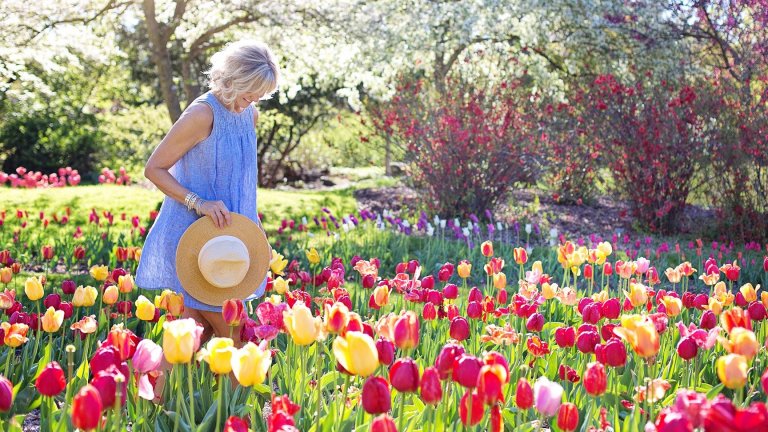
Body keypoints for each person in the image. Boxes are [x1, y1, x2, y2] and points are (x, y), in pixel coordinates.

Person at [135, 40, 279, 344]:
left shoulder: (249, 115)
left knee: (193, 335)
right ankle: (256, 394)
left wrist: (257, 233)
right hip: (199, 240)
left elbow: (243, 185)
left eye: (259, 96)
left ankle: (153, 392)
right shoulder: (203, 114)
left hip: (231, 239)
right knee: (237, 336)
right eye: (248, 93)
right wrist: (197, 202)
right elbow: (154, 169)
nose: (251, 102)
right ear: (232, 80)